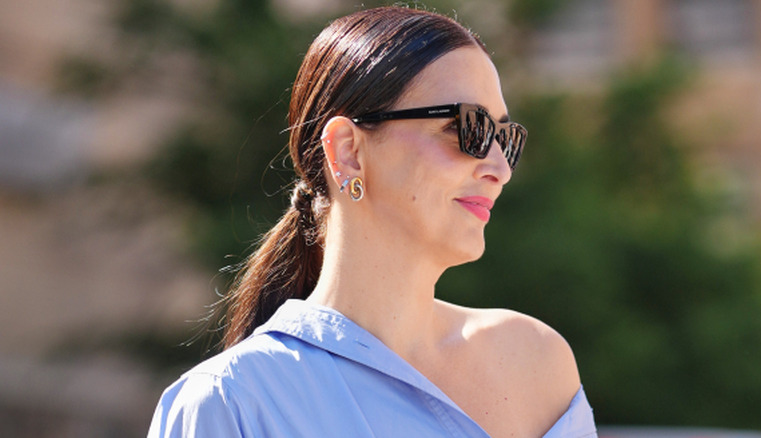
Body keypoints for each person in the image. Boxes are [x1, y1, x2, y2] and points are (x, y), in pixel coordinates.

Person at [148, 6, 597, 438]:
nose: (500, 168)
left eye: (505, 137)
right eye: (469, 128)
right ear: (348, 150)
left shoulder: (534, 362)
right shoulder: (229, 403)